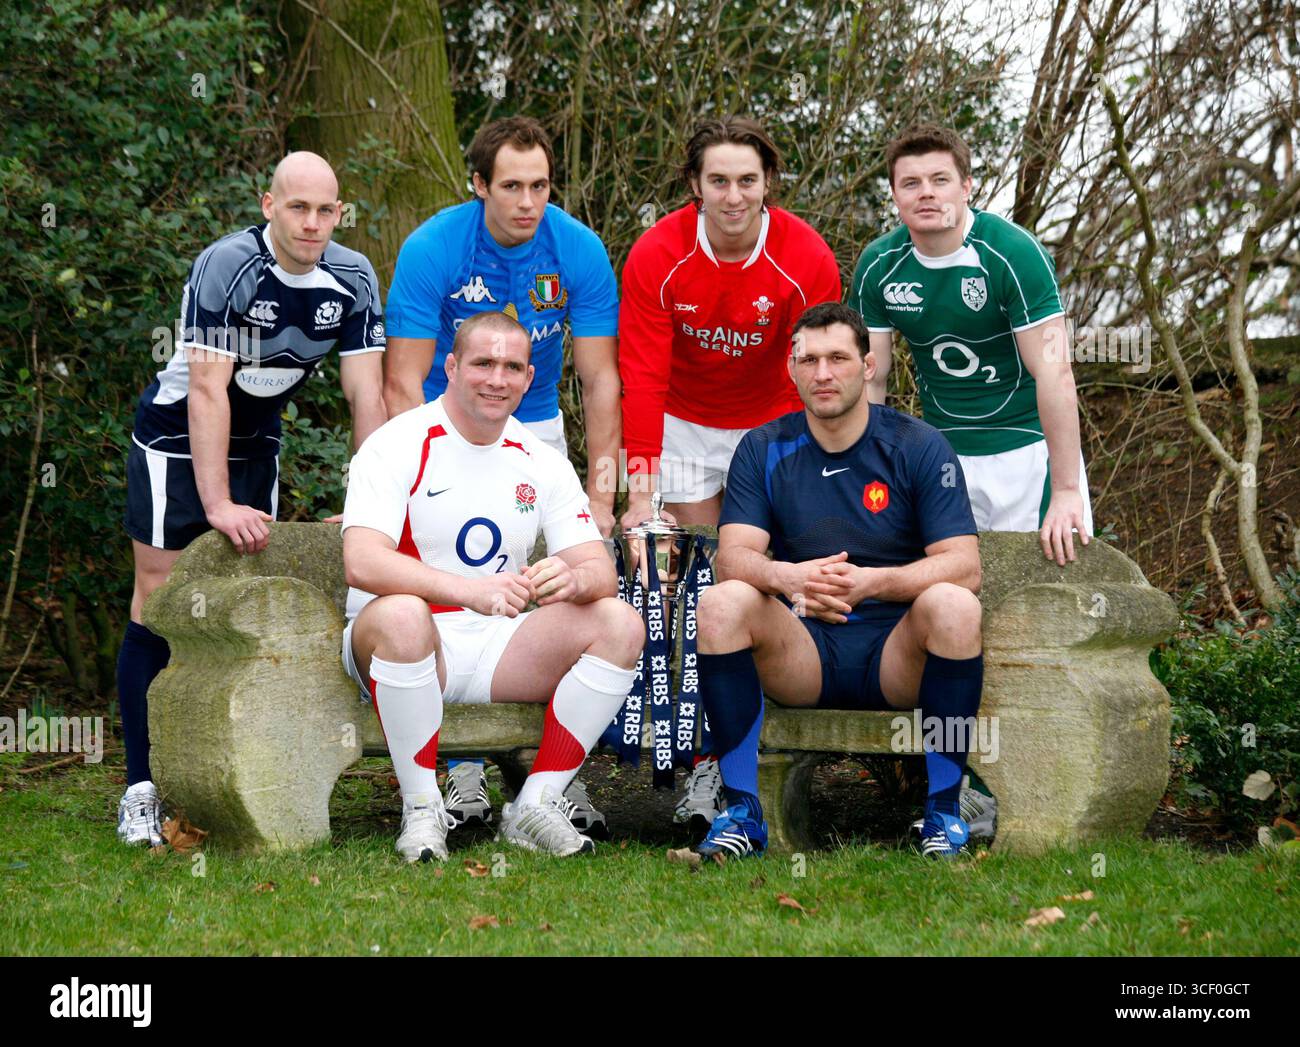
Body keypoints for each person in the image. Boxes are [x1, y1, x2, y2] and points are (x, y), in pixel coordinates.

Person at [117, 152, 388, 846]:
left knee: (240, 595)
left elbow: (366, 394)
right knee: (159, 594)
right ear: (269, 204)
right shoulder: (228, 265)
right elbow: (208, 389)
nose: (313, 223)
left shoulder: (353, 276)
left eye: (327, 210)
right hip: (178, 439)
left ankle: (219, 776)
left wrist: (369, 501)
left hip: (256, 445)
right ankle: (140, 787)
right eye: (299, 207)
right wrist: (215, 503)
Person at [382, 117, 621, 833]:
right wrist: (410, 478)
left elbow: (600, 378)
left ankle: (548, 778)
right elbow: (400, 380)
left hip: (537, 423)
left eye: (540, 186)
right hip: (442, 418)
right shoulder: (433, 247)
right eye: (511, 186)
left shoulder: (576, 248)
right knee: (456, 585)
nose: (527, 201)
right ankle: (454, 769)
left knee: (553, 597)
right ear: (479, 184)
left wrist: (604, 497)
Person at [339, 311, 644, 862]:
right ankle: (422, 807)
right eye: (482, 363)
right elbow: (361, 562)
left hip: (499, 646)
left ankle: (536, 803)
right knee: (406, 616)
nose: (496, 379)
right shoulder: (397, 443)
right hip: (402, 648)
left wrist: (573, 579)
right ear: (451, 367)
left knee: (619, 622)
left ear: (529, 378)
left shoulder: (542, 459)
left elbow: (602, 572)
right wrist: (466, 591)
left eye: (512, 367)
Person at [693, 302, 984, 860]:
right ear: (791, 368)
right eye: (809, 360)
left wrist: (873, 583)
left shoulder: (919, 445)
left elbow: (965, 566)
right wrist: (788, 576)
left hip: (896, 657)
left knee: (954, 605)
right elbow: (732, 560)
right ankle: (740, 814)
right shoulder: (764, 447)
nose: (822, 373)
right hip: (804, 652)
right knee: (725, 602)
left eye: (837, 358)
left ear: (868, 366)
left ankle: (943, 814)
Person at [617, 115, 841, 829]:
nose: (734, 195)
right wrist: (640, 493)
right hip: (683, 420)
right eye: (719, 180)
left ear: (767, 184)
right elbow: (643, 376)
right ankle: (693, 764)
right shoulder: (659, 253)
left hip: (770, 422)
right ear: (694, 186)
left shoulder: (804, 255)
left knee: (746, 582)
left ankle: (732, 761)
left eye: (748, 180)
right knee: (691, 589)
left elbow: (821, 368)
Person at [848, 123, 1092, 564]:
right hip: (941, 457)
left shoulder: (1014, 253)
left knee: (1050, 604)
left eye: (939, 180)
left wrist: (1067, 489)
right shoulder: (878, 265)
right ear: (895, 195)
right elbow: (871, 379)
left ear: (966, 186)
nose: (926, 193)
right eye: (911, 183)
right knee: (952, 602)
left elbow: (1055, 369)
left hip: (1028, 454)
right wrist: (875, 476)